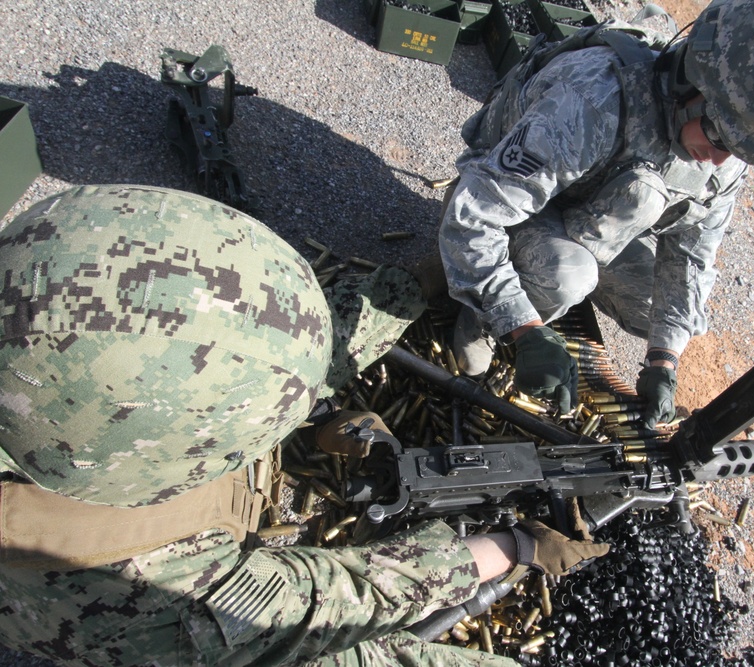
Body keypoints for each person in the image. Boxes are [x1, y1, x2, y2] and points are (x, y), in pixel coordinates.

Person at [0, 185, 607, 667]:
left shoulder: (45, 309)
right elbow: (330, 606)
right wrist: (512, 548)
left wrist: (410, 289)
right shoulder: (136, 594)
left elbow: (228, 326)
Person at [440, 0, 754, 425]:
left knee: (657, 310)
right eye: (721, 138)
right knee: (568, 275)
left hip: (585, 216)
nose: (720, 161)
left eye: (738, 150)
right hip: (502, 199)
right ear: (694, 85)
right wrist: (524, 328)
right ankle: (481, 319)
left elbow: (691, 259)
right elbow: (475, 217)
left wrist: (663, 362)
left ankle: (543, 287)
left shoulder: (729, 140)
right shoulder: (595, 99)